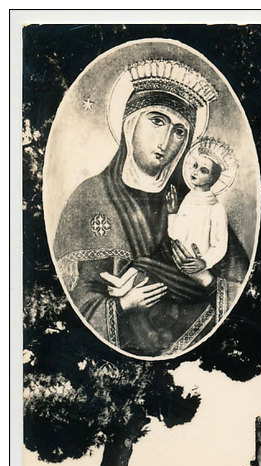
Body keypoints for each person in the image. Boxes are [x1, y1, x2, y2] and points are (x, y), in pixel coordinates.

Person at [52, 58, 249, 358]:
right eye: (157, 121)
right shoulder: (89, 197)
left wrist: (205, 279)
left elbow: (239, 291)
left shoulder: (193, 201)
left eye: (180, 131)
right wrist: (122, 306)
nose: (166, 141)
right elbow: (67, 298)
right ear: (130, 122)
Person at [167, 136, 238, 276]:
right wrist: (172, 213)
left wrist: (204, 262)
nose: (195, 172)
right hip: (176, 261)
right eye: (195, 166)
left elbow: (219, 245)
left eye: (203, 170)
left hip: (196, 270)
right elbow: (175, 234)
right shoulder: (188, 199)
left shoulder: (216, 209)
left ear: (212, 178)